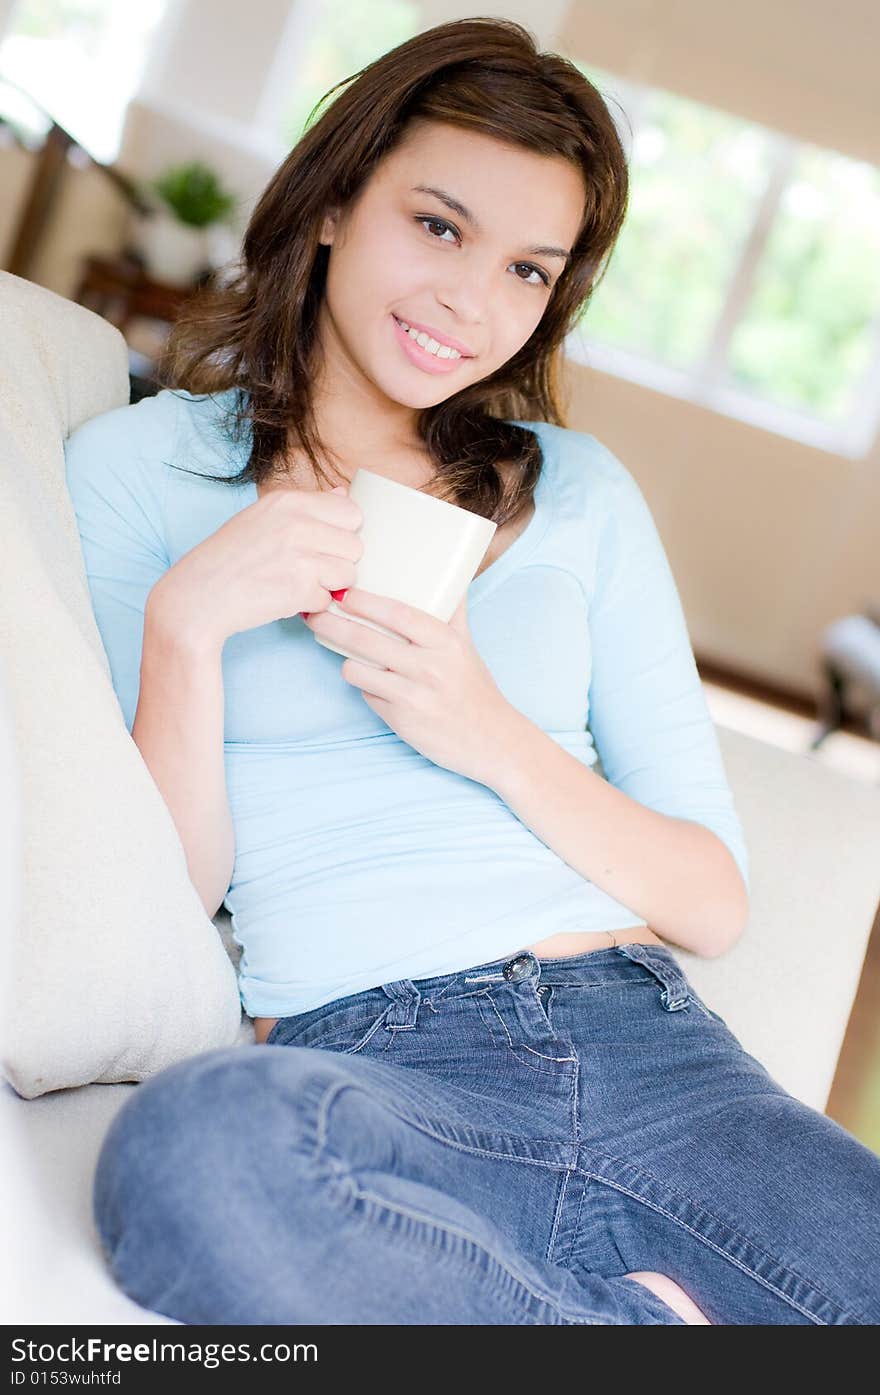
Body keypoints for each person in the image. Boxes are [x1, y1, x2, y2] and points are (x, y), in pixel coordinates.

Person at [65, 18, 880, 1326]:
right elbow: (174, 891)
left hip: (654, 1055)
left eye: (526, 269)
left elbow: (713, 903)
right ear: (335, 200)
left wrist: (486, 728)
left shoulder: (585, 495)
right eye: (438, 225)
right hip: (373, 1062)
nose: (469, 300)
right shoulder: (144, 473)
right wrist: (188, 622)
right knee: (194, 1155)